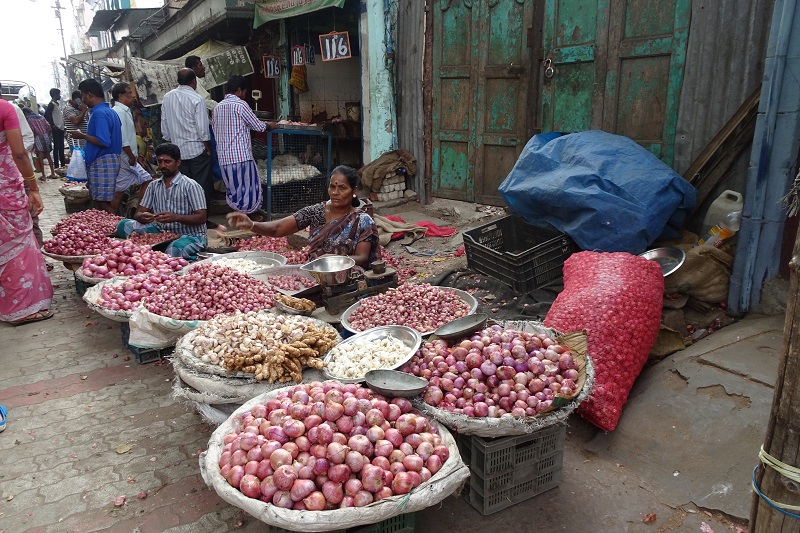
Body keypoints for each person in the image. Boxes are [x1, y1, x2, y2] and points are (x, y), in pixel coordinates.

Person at [226, 165, 378, 270]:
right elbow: (278, 228)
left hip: (347, 273)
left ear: (354, 191)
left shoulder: (363, 221)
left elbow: (362, 258)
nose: (335, 192)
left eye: (342, 188)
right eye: (332, 187)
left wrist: (332, 259)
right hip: (315, 272)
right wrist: (251, 224)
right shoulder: (316, 212)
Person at [0, 98, 54, 326]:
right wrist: (33, 187)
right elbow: (19, 153)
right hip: (5, 188)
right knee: (17, 244)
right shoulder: (5, 109)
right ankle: (20, 308)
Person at [116, 143, 207, 260]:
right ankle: (163, 247)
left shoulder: (191, 186)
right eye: (160, 162)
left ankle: (187, 255)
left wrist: (175, 217)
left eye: (167, 162)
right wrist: (143, 217)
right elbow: (138, 213)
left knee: (174, 250)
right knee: (123, 225)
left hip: (191, 235)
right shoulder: (153, 186)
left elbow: (202, 217)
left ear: (178, 163)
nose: (163, 165)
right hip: (162, 231)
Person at [212, 75, 274, 215]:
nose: (244, 95)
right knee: (247, 189)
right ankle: (247, 218)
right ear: (239, 90)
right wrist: (270, 125)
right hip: (240, 156)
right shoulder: (240, 105)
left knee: (233, 189)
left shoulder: (217, 107)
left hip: (224, 158)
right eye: (244, 92)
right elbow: (258, 126)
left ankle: (236, 215)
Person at [161, 68, 212, 217]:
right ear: (194, 81)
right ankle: (201, 218)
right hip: (196, 150)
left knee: (182, 186)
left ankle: (184, 217)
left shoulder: (167, 97)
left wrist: (170, 143)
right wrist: (208, 148)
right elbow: (203, 129)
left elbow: (164, 126)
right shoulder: (197, 99)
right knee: (201, 186)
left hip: (177, 151)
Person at [70, 78, 122, 215]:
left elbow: (103, 141)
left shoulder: (99, 114)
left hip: (103, 161)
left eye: (82, 96)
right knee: (103, 199)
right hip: (109, 159)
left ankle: (117, 224)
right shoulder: (109, 112)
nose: (82, 99)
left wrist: (82, 136)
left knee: (101, 201)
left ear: (89, 95)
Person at [110, 82, 151, 214]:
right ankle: (136, 212)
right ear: (121, 95)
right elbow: (122, 138)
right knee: (121, 190)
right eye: (129, 93)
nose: (133, 96)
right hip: (126, 157)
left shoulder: (124, 110)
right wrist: (132, 156)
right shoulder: (119, 112)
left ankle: (136, 211)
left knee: (121, 190)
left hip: (128, 156)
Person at [22, 108, 56, 181]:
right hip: (46, 136)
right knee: (48, 155)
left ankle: (43, 175)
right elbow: (49, 127)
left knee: (40, 156)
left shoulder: (28, 119)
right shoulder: (41, 117)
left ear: (25, 113)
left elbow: (31, 130)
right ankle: (53, 173)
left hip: (37, 137)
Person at [44, 88, 66, 170]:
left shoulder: (56, 104)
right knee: (57, 147)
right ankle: (57, 165)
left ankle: (62, 164)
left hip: (60, 128)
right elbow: (46, 115)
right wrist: (53, 125)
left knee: (61, 146)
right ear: (54, 95)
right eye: (58, 94)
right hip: (57, 128)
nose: (59, 96)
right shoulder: (51, 104)